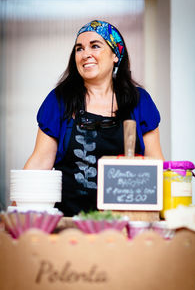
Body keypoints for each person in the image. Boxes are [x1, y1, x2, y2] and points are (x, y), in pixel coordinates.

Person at [24, 20, 164, 216]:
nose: (85, 54)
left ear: (116, 55)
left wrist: (163, 218)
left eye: (95, 46)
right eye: (79, 49)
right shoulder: (60, 100)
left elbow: (156, 163)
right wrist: (16, 214)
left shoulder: (139, 101)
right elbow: (40, 162)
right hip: (69, 222)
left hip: (127, 223)